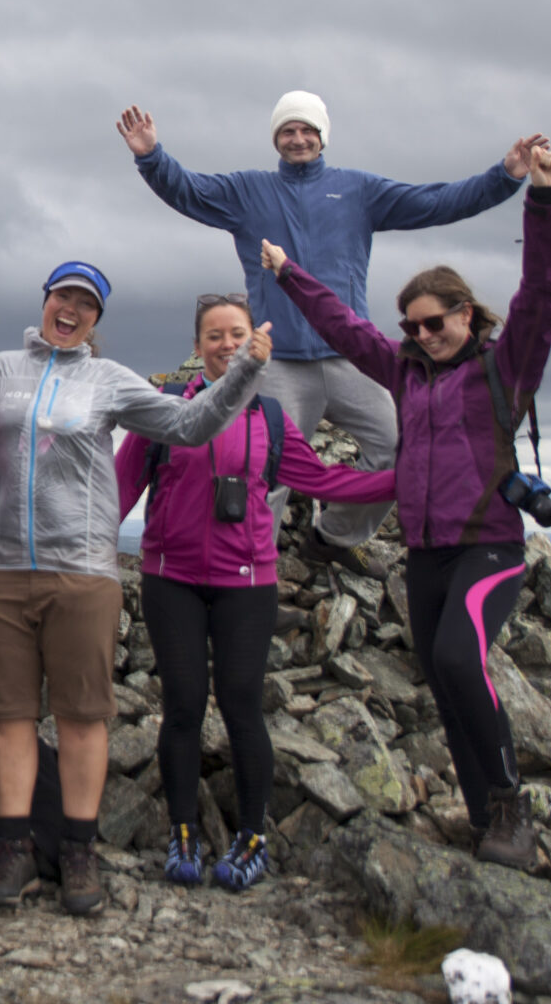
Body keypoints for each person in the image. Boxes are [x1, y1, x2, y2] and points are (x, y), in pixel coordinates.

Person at [0, 265, 266, 915]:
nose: (71, 309)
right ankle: (12, 847)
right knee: (10, 715)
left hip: (82, 574)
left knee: (81, 716)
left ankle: (79, 851)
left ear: (96, 319)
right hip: (2, 569)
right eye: (62, 297)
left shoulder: (109, 380)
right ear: (45, 302)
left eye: (86, 304)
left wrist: (243, 372)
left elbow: (190, 425)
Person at [259, 137, 551, 870]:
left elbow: (545, 293)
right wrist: (290, 274)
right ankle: (484, 814)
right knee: (442, 677)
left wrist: (545, 198)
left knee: (464, 659)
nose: (424, 335)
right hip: (426, 555)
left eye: (437, 322)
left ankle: (511, 810)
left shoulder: (506, 365)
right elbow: (342, 324)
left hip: (488, 546)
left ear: (467, 314)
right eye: (413, 326)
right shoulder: (406, 372)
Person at [117, 93, 545, 574]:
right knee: (261, 466)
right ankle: (252, 571)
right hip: (277, 362)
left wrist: (506, 176)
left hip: (350, 359)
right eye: (287, 131)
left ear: (322, 137)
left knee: (400, 447)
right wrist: (151, 157)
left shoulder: (358, 191)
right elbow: (188, 191)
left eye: (307, 131)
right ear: (276, 139)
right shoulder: (247, 192)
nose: (298, 139)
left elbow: (436, 202)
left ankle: (333, 536)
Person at [117, 294, 397, 893]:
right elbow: (117, 492)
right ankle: (183, 831)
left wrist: (413, 475)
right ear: (197, 348)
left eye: (235, 335)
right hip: (172, 581)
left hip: (248, 583)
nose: (225, 346)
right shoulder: (163, 413)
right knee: (185, 707)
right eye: (213, 336)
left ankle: (252, 836)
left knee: (243, 707)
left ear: (255, 344)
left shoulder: (271, 418)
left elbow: (322, 479)